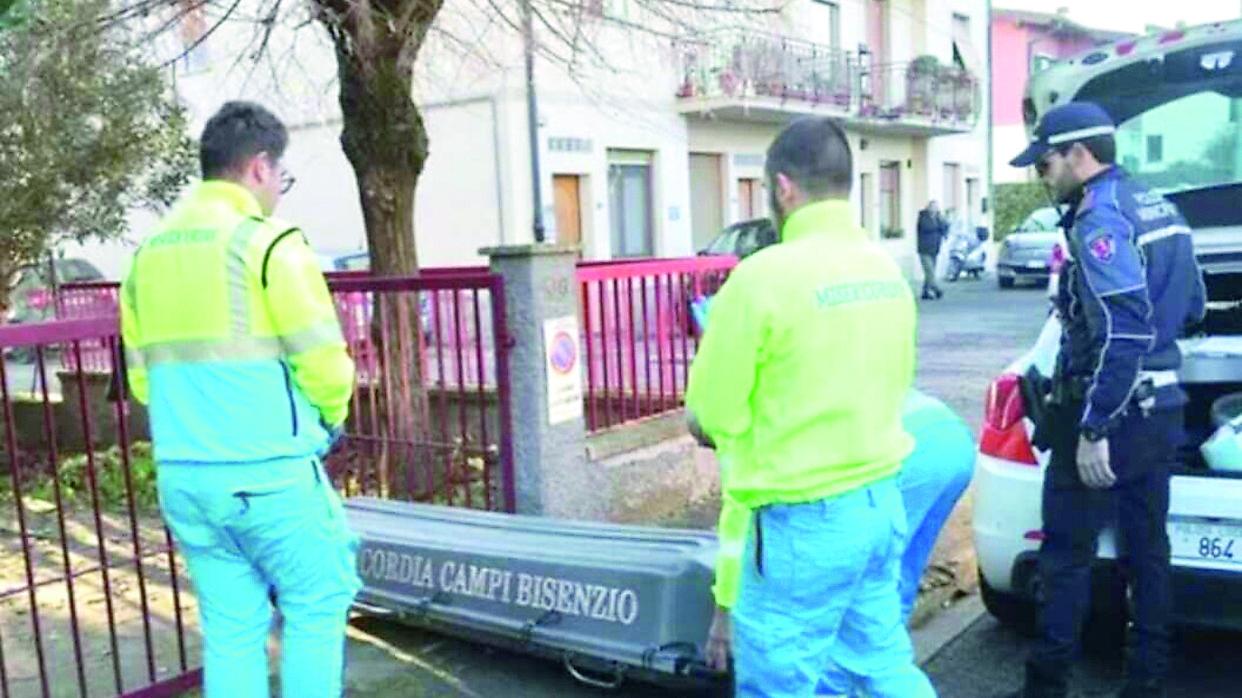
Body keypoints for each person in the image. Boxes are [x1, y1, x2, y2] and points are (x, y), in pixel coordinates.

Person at [685, 116, 935, 697]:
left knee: (780, 684)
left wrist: (711, 418)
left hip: (800, 527)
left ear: (782, 187)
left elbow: (713, 416)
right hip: (880, 503)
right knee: (881, 668)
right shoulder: (887, 272)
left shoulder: (759, 279)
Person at [120, 101, 360, 698]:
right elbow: (327, 367)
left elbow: (142, 382)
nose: (279, 189)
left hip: (185, 477)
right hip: (270, 477)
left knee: (231, 629)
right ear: (259, 167)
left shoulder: (146, 257)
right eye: (281, 175)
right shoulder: (269, 245)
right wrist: (328, 423)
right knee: (316, 604)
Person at [1000, 102, 1205, 698]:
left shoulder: (1099, 219)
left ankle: (1046, 688)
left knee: (1066, 558)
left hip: (1109, 415)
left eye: (1045, 163)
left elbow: (1125, 329)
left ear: (1079, 155)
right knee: (1149, 555)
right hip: (1161, 410)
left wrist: (1094, 427)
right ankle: (1146, 684)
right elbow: (1193, 306)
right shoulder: (1160, 205)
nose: (1042, 176)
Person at [917, 201, 948, 300]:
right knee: (930, 271)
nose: (934, 209)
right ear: (928, 208)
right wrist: (939, 224)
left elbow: (944, 228)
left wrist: (943, 221)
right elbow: (927, 227)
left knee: (930, 272)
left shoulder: (938, 218)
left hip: (935, 248)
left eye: (936, 207)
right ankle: (936, 289)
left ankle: (925, 292)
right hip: (924, 249)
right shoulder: (923, 217)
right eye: (932, 207)